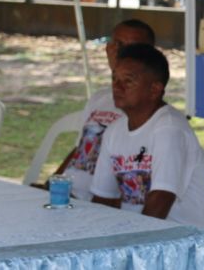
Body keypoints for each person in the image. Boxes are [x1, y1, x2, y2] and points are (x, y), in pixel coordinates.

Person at [90, 43, 204, 230]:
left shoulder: (169, 129)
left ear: (154, 90)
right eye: (114, 78)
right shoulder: (113, 132)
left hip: (185, 242)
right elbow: (102, 199)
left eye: (128, 81)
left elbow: (160, 202)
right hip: (146, 237)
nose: (117, 87)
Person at [45, 19, 156, 200]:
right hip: (68, 195)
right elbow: (80, 148)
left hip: (98, 203)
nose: (122, 52)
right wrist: (51, 184)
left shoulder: (147, 106)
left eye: (133, 47)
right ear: (107, 48)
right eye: (118, 44)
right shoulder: (99, 98)